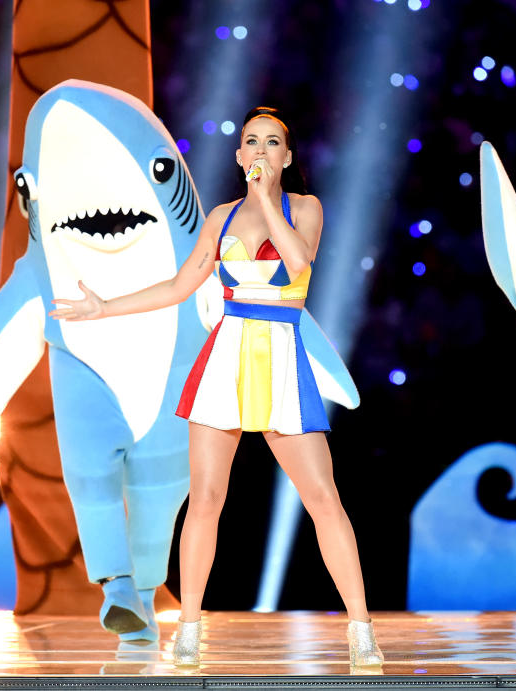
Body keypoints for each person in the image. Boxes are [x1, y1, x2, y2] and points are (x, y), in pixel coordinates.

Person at [50, 107, 383, 667]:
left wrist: (265, 201)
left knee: (324, 499)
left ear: (287, 156)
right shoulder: (219, 219)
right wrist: (104, 306)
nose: (260, 150)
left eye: (272, 143)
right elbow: (180, 286)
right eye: (251, 142)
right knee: (205, 502)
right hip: (225, 360)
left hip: (281, 358)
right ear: (238, 155)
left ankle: (361, 631)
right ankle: (188, 628)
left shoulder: (305, 209)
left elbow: (299, 261)